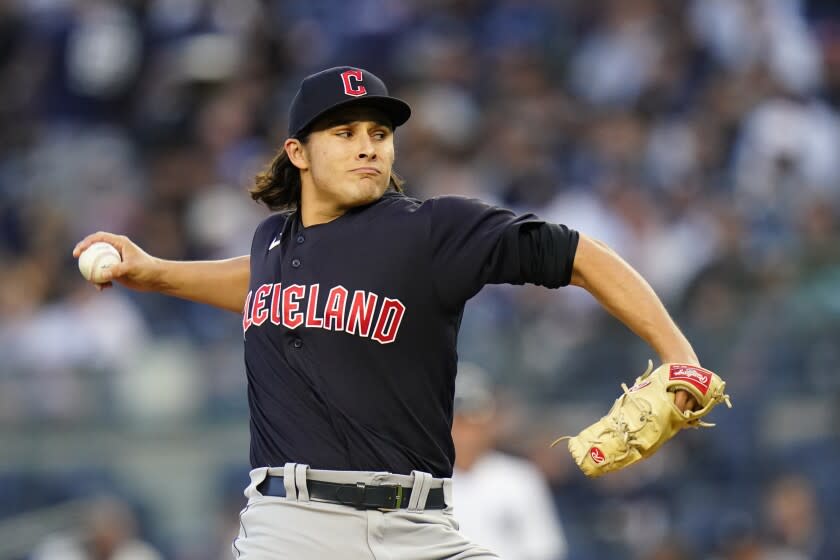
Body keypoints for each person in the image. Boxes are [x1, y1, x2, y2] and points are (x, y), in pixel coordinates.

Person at [74, 66, 702, 560]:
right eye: (344, 134)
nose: (367, 147)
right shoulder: (273, 243)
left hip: (420, 529)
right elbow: (255, 282)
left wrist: (681, 358)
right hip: (294, 529)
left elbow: (580, 254)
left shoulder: (430, 231)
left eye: (379, 134)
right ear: (298, 152)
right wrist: (153, 271)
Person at [451, 363, 567, 560]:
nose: (467, 433)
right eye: (459, 421)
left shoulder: (519, 478)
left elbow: (544, 550)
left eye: (474, 419)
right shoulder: (418, 480)